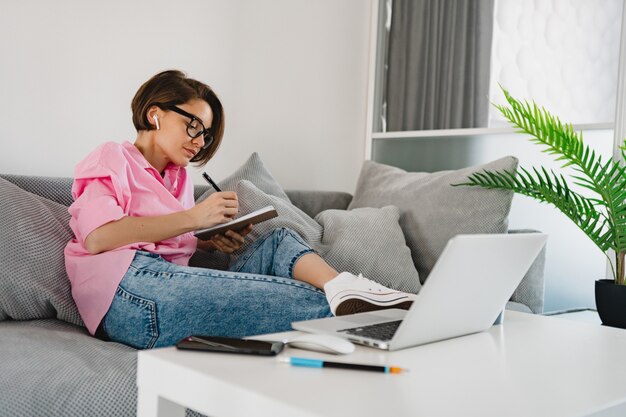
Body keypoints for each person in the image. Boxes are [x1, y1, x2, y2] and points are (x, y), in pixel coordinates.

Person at [64, 70, 416, 349]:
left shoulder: (177, 178)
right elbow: (98, 237)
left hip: (169, 282)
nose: (200, 141)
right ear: (155, 114)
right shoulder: (112, 157)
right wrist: (193, 218)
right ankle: (392, 321)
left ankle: (345, 287)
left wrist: (207, 241)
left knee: (278, 241)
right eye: (194, 126)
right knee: (301, 303)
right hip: (129, 293)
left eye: (206, 133)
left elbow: (167, 239)